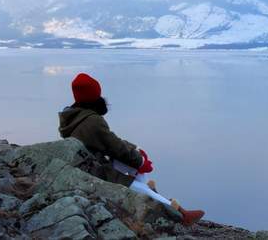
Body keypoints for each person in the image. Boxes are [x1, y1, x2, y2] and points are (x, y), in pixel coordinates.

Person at [58, 73, 205, 226]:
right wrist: (140, 161)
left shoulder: (75, 116)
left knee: (137, 167)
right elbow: (114, 146)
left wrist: (135, 150)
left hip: (94, 162)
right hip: (97, 171)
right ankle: (180, 214)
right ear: (94, 95)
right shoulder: (92, 121)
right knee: (140, 186)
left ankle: (155, 193)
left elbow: (110, 140)